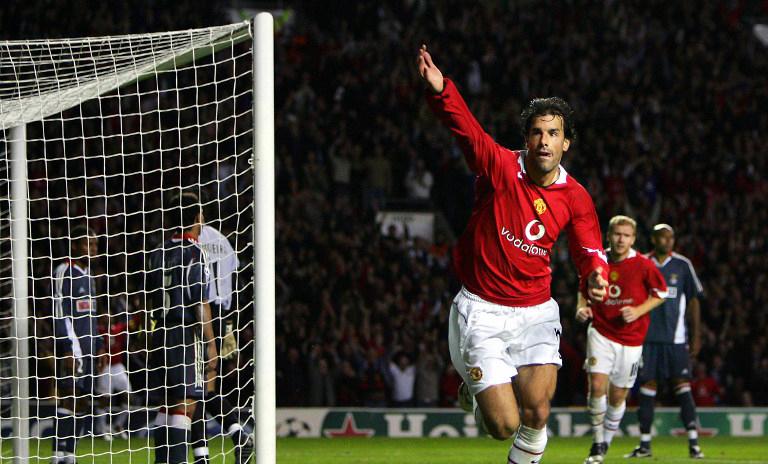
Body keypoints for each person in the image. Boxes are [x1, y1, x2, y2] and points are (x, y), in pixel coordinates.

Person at [418, 44, 608, 463]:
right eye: (537, 132)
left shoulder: (575, 196)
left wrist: (596, 273)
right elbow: (466, 130)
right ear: (527, 139)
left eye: (553, 133)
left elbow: (589, 247)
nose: (544, 141)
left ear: (566, 144)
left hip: (536, 311)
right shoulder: (500, 167)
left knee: (537, 411)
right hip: (482, 310)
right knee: (502, 426)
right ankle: (471, 385)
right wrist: (441, 89)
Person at [574, 215, 667, 463]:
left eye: (626, 235)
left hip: (632, 339)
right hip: (601, 332)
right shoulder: (599, 260)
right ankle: (597, 442)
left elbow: (661, 293)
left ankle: (606, 440)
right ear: (609, 235)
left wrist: (638, 310)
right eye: (617, 234)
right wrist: (581, 307)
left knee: (617, 397)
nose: (620, 239)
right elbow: (583, 288)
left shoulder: (644, 265)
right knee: (596, 386)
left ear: (633, 239)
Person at [147, 192, 217, 464]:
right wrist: (211, 344)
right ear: (197, 218)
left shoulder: (157, 252)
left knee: (167, 405)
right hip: (185, 334)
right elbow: (200, 303)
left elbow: (149, 298)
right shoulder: (195, 253)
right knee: (186, 405)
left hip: (160, 331)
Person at [626, 223, 705, 459]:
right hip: (647, 339)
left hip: (676, 339)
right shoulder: (642, 263)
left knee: (682, 386)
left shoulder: (682, 265)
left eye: (671, 238)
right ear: (653, 239)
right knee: (648, 387)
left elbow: (693, 302)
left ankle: (694, 444)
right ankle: (645, 445)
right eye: (663, 237)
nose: (668, 242)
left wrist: (697, 335)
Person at [191, 220, 253, 464]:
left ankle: (204, 455)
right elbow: (233, 277)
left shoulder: (192, 243)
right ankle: (237, 434)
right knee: (206, 389)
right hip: (222, 316)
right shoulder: (223, 241)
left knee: (194, 391)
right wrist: (228, 328)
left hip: (200, 315)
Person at [51, 226, 106, 463]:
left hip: (91, 347)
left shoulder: (90, 276)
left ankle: (70, 454)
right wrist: (66, 347)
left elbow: (93, 315)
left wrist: (101, 344)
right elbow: (59, 311)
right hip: (73, 346)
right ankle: (57, 454)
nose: (93, 249)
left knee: (83, 399)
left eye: (95, 245)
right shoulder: (64, 271)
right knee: (68, 395)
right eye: (88, 244)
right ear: (75, 246)